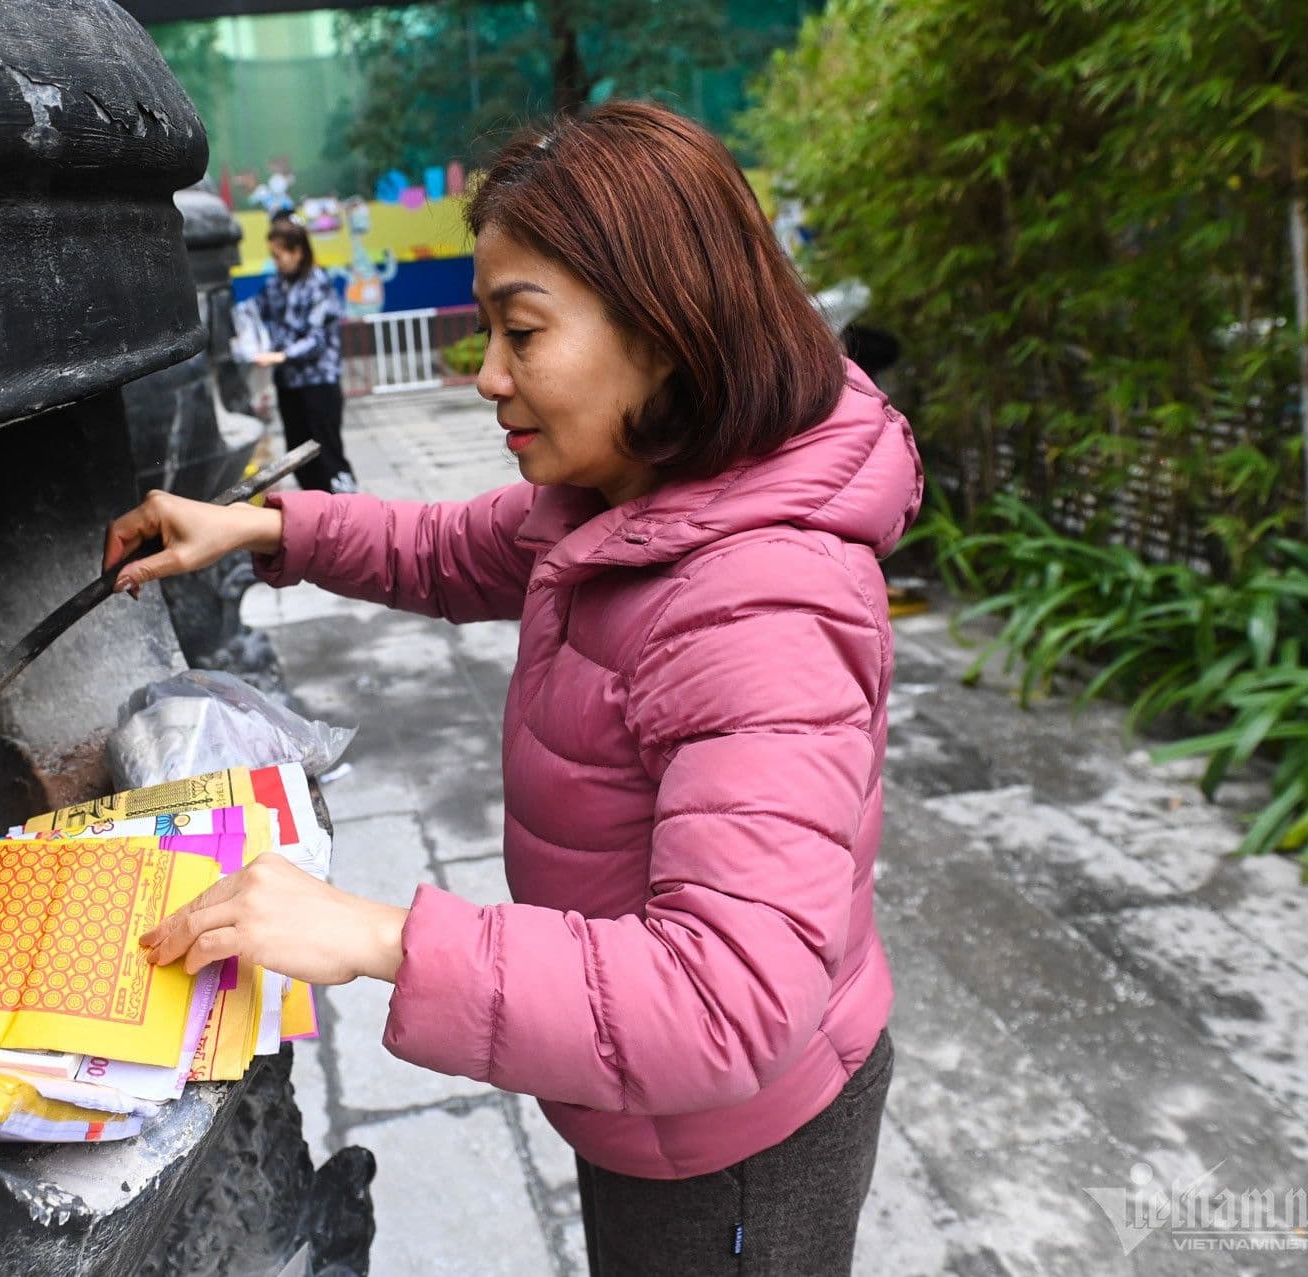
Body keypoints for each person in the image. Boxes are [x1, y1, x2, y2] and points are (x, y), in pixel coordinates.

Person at [109, 101, 922, 1275]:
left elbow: (723, 1002)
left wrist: (378, 936)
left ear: (667, 331)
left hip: (729, 1152)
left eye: (521, 331)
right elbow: (449, 546)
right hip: (633, 1097)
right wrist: (257, 523)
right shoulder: (628, 493)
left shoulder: (763, 603)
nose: (486, 374)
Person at [252, 220, 357, 493]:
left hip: (318, 383)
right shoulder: (275, 286)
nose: (276, 262)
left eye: (279, 255)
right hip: (289, 385)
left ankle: (351, 514)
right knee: (297, 455)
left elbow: (317, 340)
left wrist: (281, 356)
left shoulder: (318, 285)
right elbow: (253, 312)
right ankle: (316, 517)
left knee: (328, 455)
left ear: (297, 251)